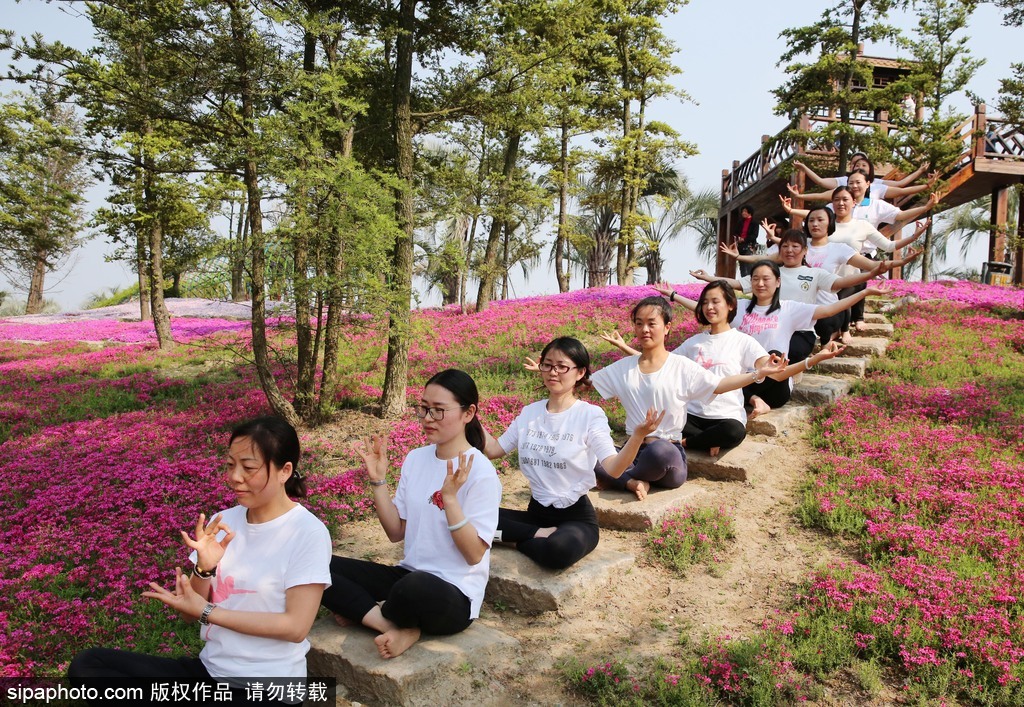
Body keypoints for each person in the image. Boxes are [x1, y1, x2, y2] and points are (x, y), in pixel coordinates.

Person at [69, 416, 333, 687]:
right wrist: (204, 568)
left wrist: (207, 610)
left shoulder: (307, 532)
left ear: (284, 471)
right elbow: (189, 613)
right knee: (88, 664)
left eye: (248, 467)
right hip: (209, 672)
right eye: (230, 465)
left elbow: (295, 628)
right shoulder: (224, 521)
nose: (234, 477)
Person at [321, 369, 501, 659]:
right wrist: (378, 480)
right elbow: (395, 532)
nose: (428, 418)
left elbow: (474, 555)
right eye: (424, 408)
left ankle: (366, 609)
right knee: (315, 564)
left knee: (413, 587)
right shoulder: (416, 458)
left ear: (469, 413)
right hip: (408, 574)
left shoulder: (481, 472)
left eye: (439, 411)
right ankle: (390, 621)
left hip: (452, 593)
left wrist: (451, 500)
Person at [483, 337, 663, 569]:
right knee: (464, 517)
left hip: (575, 519)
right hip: (535, 513)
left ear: (580, 373)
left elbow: (614, 468)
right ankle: (536, 532)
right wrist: (469, 416)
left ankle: (517, 540)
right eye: (547, 365)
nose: (553, 372)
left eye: (562, 366)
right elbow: (494, 449)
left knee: (558, 550)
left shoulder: (590, 415)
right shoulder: (530, 413)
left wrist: (637, 437)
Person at [608, 282, 848, 455]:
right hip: (691, 415)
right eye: (705, 303)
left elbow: (779, 373)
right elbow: (658, 361)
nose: (709, 307)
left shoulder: (743, 341)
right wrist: (623, 347)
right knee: (662, 416)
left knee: (734, 432)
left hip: (724, 416)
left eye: (716, 302)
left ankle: (684, 444)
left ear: (731, 306)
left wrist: (815, 359)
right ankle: (696, 441)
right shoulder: (693, 342)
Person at [587, 296, 786, 500]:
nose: (644, 329)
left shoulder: (681, 366)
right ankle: (631, 482)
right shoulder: (623, 367)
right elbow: (586, 383)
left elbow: (718, 386)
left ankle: (619, 476)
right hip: (632, 449)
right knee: (587, 450)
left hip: (667, 452)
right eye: (639, 324)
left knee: (658, 452)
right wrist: (561, 368)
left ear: (667, 327)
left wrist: (758, 374)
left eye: (651, 323)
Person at [688, 261, 891, 409]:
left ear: (778, 282)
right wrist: (672, 296)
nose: (760, 283)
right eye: (755, 279)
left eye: (766, 279)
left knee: (774, 356)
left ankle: (756, 400)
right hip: (742, 384)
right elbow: (708, 311)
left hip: (776, 387)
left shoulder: (790, 309)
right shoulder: (739, 307)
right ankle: (753, 400)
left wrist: (865, 293)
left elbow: (830, 310)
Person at [703, 228, 888, 359]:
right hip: (770, 327)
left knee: (787, 352)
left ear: (805, 251)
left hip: (800, 330)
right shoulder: (769, 272)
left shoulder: (814, 273)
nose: (789, 250)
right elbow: (738, 284)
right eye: (785, 246)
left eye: (795, 246)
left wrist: (870, 274)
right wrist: (709, 278)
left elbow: (839, 283)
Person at [791, 155, 928, 202]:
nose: (860, 167)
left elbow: (901, 185)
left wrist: (921, 172)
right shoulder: (843, 182)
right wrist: (804, 168)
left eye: (864, 165)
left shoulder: (877, 185)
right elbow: (821, 183)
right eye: (857, 165)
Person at [732, 206, 760, 277]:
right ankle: (743, 282)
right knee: (742, 266)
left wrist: (744, 239)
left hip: (749, 245)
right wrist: (738, 238)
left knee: (749, 265)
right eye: (742, 211)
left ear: (749, 212)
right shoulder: (740, 222)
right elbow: (735, 232)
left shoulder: (755, 223)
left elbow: (754, 235)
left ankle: (750, 281)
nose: (743, 213)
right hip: (740, 246)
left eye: (745, 211)